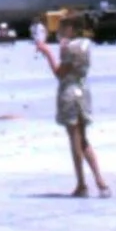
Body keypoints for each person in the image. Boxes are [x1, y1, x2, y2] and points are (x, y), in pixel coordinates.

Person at [34, 11, 110, 198]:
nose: (58, 31)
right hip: (83, 90)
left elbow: (60, 73)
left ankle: (82, 184)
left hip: (69, 92)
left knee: (74, 140)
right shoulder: (85, 44)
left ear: (70, 28)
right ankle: (100, 181)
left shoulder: (67, 48)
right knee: (83, 139)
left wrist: (48, 53)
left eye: (61, 27)